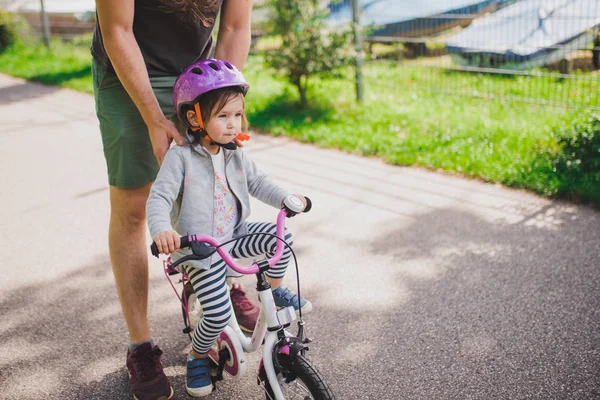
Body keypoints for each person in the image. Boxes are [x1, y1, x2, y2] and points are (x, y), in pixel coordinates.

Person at [91, 1, 256, 399]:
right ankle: (141, 346)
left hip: (197, 73)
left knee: (211, 184)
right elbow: (118, 29)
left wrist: (220, 99)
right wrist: (152, 116)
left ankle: (212, 280)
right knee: (134, 207)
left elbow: (234, 26)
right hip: (127, 67)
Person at [146, 58, 312, 397]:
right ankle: (196, 355)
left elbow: (259, 182)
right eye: (223, 116)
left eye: (237, 114)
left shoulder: (235, 152)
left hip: (234, 236)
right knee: (218, 313)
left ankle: (277, 291)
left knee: (281, 238)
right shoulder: (181, 157)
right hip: (200, 250)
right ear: (195, 118)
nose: (233, 123)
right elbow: (159, 198)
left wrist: (287, 199)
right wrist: (162, 229)